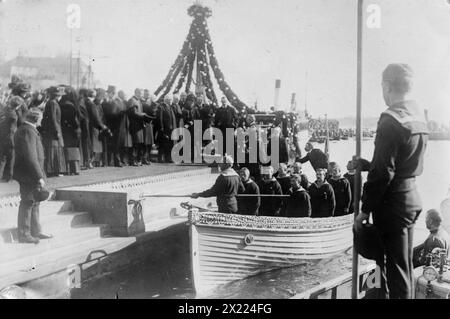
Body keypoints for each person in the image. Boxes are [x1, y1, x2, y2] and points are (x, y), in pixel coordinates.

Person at [354, 63, 429, 299]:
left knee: (391, 274)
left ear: (386, 86)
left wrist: (364, 210)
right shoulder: (418, 117)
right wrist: (368, 165)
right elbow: (402, 163)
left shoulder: (390, 120)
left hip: (392, 205)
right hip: (410, 197)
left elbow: (383, 174)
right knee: (402, 268)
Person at [13, 108, 52, 243]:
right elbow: (30, 157)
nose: (41, 121)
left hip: (30, 173)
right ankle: (24, 234)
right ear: (36, 119)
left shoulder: (28, 130)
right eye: (41, 119)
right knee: (28, 202)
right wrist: (38, 176)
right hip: (28, 174)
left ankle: (36, 231)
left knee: (35, 202)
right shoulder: (27, 131)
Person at [41, 86, 66, 177]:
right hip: (53, 131)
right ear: (56, 96)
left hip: (52, 130)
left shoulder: (51, 103)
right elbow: (53, 118)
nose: (61, 97)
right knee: (54, 149)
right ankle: (53, 170)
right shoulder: (53, 103)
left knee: (54, 149)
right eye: (60, 95)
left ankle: (53, 170)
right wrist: (57, 131)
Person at [60, 87, 81, 175]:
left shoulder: (61, 104)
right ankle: (74, 169)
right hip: (72, 130)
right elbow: (74, 120)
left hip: (64, 129)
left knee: (66, 148)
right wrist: (77, 127)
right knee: (73, 148)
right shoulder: (71, 106)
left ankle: (67, 169)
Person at [156, 94, 177, 163]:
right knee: (162, 144)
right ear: (166, 100)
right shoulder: (161, 107)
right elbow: (160, 118)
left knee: (169, 144)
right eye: (170, 100)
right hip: (165, 129)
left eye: (171, 100)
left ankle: (168, 158)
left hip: (171, 129)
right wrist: (161, 128)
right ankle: (160, 158)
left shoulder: (170, 107)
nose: (171, 101)